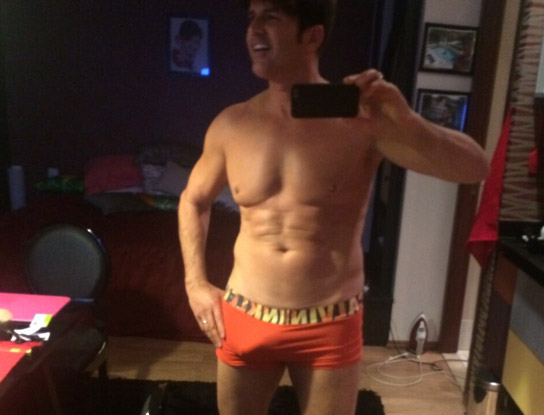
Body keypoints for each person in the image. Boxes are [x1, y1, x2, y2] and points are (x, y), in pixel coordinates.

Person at [178, 1, 489, 414]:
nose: (255, 29)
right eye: (252, 17)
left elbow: (475, 167)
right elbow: (193, 199)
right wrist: (195, 284)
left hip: (327, 322)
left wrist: (407, 121)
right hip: (245, 313)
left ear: (312, 36)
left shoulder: (361, 123)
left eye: (271, 17)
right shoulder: (231, 124)